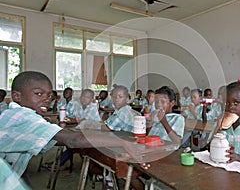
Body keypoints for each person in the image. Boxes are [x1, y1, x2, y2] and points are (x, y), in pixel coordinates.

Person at [0, 71, 142, 188]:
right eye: (38, 94)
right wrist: (122, 142)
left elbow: (19, 169)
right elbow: (72, 140)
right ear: (17, 96)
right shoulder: (22, 116)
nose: (47, 99)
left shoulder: (14, 113)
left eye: (49, 95)